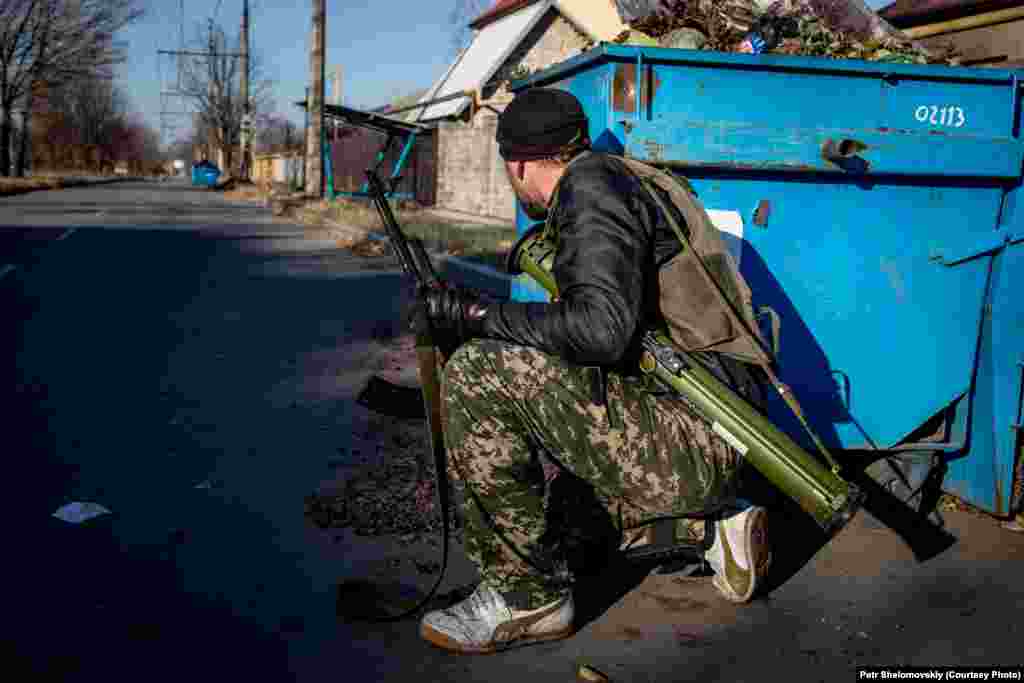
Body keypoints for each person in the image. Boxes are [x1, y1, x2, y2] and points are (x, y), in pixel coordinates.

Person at [411, 88, 771, 655]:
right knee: (564, 525)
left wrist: (477, 316)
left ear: (519, 162)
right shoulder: (618, 178)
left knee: (481, 373)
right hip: (717, 427)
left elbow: (599, 331)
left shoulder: (592, 189)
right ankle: (712, 525)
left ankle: (528, 599)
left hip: (705, 432)